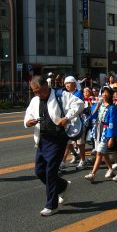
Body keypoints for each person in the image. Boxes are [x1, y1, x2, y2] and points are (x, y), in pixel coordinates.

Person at [24, 76, 84, 216]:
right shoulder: (35, 100)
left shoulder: (60, 94)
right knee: (39, 171)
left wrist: (67, 117)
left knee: (50, 171)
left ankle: (52, 205)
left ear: (46, 85)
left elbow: (79, 104)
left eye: (40, 91)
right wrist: (28, 122)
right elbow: (28, 114)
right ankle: (62, 186)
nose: (38, 94)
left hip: (57, 138)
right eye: (35, 92)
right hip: (42, 139)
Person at [85, 86, 117, 182]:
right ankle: (111, 169)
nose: (104, 94)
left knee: (99, 153)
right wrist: (97, 104)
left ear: (110, 95)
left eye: (106, 92)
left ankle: (92, 174)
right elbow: (92, 115)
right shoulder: (100, 104)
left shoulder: (112, 108)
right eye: (103, 92)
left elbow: (112, 123)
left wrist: (111, 137)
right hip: (97, 130)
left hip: (106, 130)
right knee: (103, 153)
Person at [59, 76, 86, 170]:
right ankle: (63, 161)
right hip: (68, 120)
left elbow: (73, 106)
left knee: (80, 143)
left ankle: (83, 160)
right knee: (67, 142)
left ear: (74, 84)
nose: (67, 85)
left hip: (78, 121)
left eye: (69, 83)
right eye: (66, 84)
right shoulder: (65, 94)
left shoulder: (78, 93)